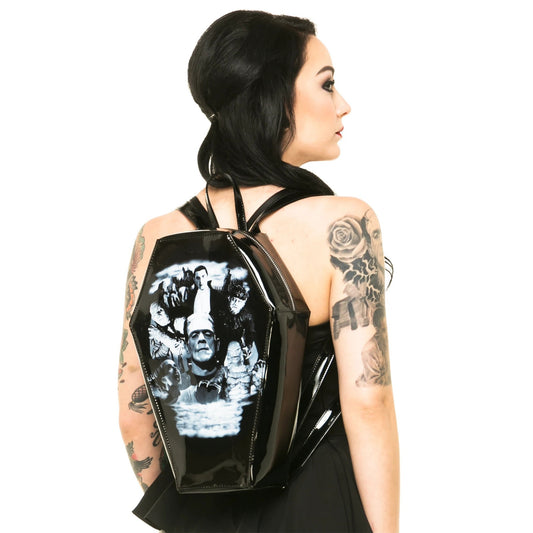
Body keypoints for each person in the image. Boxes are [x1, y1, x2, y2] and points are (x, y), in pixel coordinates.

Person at [118, 10, 399, 533]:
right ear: (273, 96)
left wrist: (191, 516)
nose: (343, 104)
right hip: (319, 500)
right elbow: (369, 401)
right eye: (327, 84)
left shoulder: (156, 235)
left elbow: (136, 411)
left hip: (202, 511)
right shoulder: (343, 224)